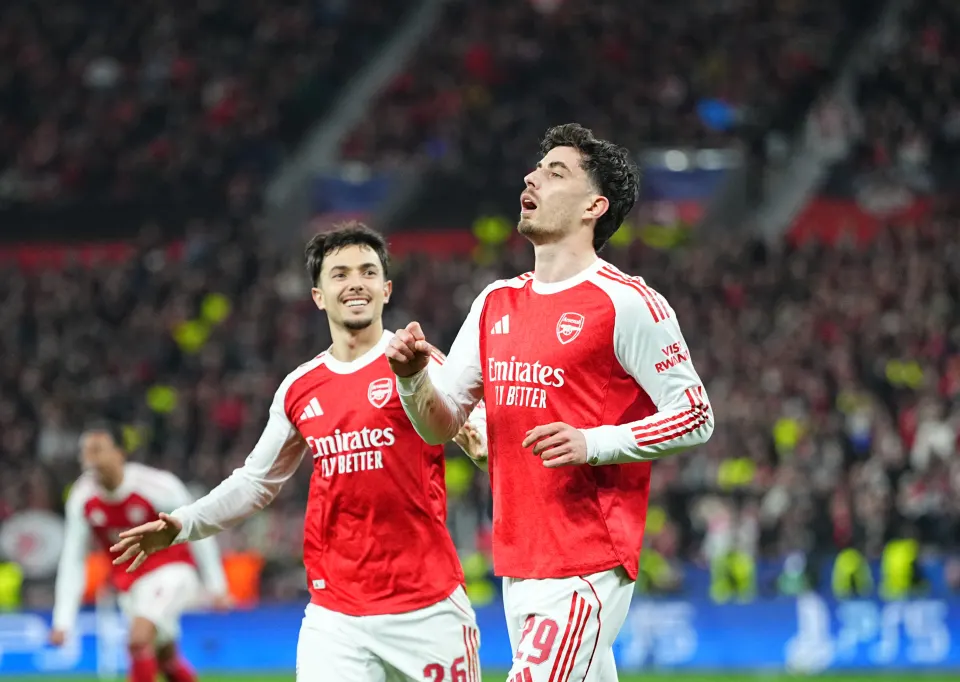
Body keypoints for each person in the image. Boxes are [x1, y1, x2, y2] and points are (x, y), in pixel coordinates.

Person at [386, 123, 715, 681]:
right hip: (519, 558)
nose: (532, 177)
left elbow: (696, 416)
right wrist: (414, 379)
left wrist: (594, 442)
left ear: (595, 205)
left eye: (555, 171)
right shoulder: (495, 302)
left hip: (589, 559)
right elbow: (440, 428)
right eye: (536, 169)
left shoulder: (627, 302)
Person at [111, 223, 486, 681]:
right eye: (340, 274)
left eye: (368, 272)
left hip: (427, 606)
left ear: (386, 290)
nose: (355, 283)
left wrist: (478, 440)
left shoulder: (417, 362)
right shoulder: (300, 387)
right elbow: (255, 482)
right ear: (318, 296)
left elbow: (477, 431)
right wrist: (183, 523)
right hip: (335, 614)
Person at [50, 422, 230, 682]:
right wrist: (62, 620)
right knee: (166, 659)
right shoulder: (81, 497)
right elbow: (72, 559)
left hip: (171, 570)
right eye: (86, 452)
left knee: (138, 640)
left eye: (98, 450)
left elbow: (198, 529)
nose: (90, 459)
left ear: (119, 452)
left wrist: (217, 585)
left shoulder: (158, 486)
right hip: (129, 585)